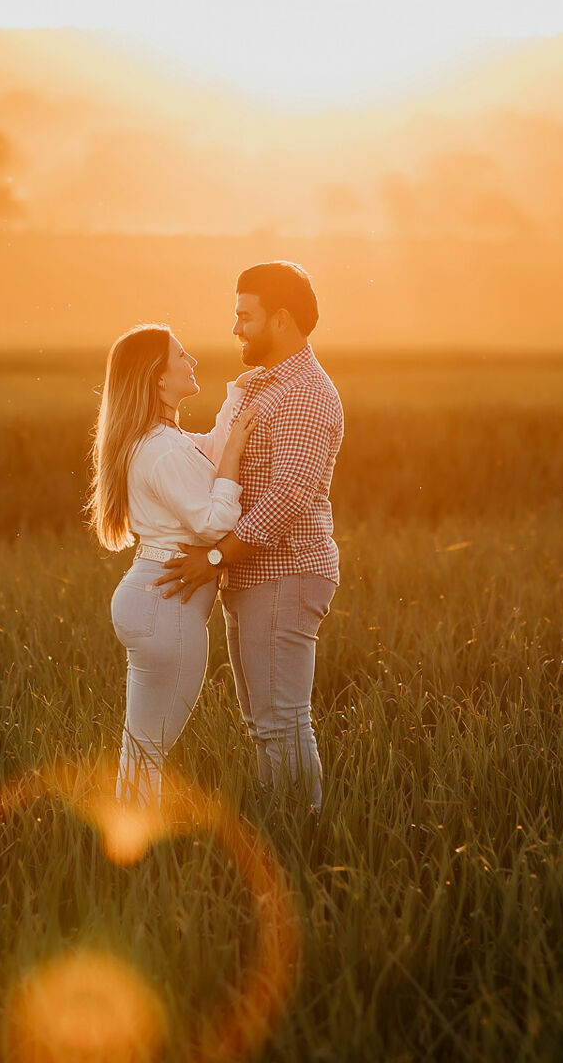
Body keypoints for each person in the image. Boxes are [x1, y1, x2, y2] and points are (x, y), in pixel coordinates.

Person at [157, 262, 344, 814]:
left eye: (245, 316)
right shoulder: (253, 386)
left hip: (286, 576)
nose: (235, 328)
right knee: (264, 723)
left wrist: (213, 557)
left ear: (281, 321)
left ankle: (300, 837)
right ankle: (280, 829)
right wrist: (150, 435)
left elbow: (285, 501)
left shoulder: (306, 395)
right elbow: (213, 451)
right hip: (253, 575)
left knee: (282, 721)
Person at [86, 323, 258, 802]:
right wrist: (235, 459)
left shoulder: (165, 439)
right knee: (148, 752)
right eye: (182, 356)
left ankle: (125, 848)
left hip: (152, 597)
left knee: (140, 748)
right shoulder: (161, 450)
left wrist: (235, 400)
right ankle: (137, 853)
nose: (193, 361)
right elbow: (210, 523)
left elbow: (207, 448)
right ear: (157, 377)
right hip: (167, 605)